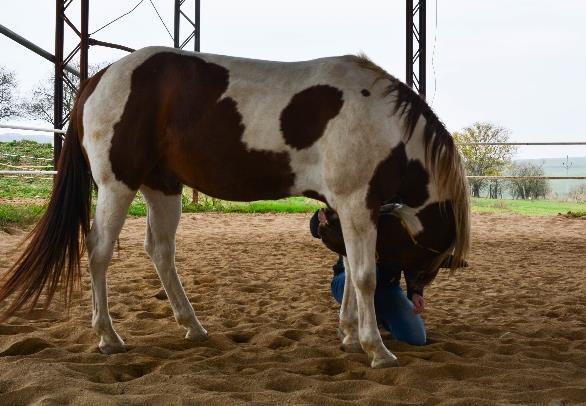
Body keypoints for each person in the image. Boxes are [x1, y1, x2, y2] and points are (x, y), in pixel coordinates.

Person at [310, 209, 427, 346]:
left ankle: (380, 316)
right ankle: (352, 309)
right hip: (347, 281)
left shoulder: (399, 205)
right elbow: (314, 229)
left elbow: (410, 255)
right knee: (369, 270)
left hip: (387, 288)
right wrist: (321, 218)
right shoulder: (357, 198)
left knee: (416, 339)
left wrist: (415, 291)